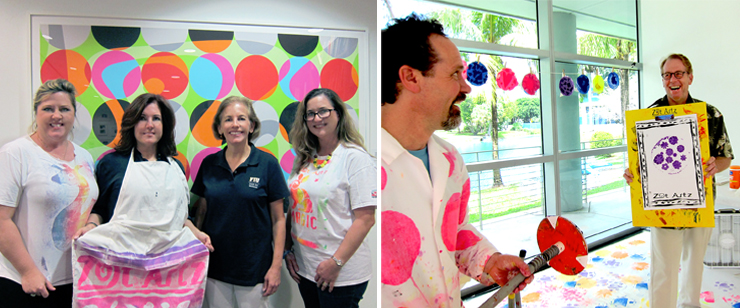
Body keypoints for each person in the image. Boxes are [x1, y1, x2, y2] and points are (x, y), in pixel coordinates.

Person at [380, 14, 533, 307]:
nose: (466, 88)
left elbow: (455, 232)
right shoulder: (370, 165)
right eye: (454, 75)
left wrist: (490, 262)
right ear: (410, 77)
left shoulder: (450, 160)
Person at [73, 93, 213, 305]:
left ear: (164, 125)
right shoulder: (111, 164)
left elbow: (180, 215)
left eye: (156, 118)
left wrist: (197, 233)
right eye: (142, 118)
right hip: (122, 266)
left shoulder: (176, 167)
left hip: (167, 269)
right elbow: (101, 208)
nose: (149, 125)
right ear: (132, 123)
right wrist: (91, 226)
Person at [623, 53, 733, 308]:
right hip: (662, 209)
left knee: (694, 268)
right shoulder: (649, 115)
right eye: (667, 75)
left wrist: (716, 165)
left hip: (700, 204)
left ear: (690, 77)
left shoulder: (710, 114)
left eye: (678, 73)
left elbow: (725, 157)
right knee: (664, 270)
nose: (673, 79)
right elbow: (637, 163)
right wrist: (631, 173)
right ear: (663, 80)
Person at [0, 79, 99, 307]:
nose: (57, 115)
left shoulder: (84, 157)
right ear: (36, 113)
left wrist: (92, 225)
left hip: (76, 280)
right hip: (26, 283)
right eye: (48, 109)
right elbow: (2, 219)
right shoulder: (16, 154)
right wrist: (27, 272)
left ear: (74, 115)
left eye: (65, 109)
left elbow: (92, 208)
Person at [190, 96, 289, 308]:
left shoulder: (267, 164)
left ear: (251, 125)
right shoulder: (209, 164)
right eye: (228, 119)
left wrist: (275, 267)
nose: (235, 124)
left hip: (254, 269)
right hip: (215, 267)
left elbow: (279, 220)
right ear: (219, 128)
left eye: (241, 118)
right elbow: (201, 212)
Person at [284, 88, 376, 308]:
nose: (317, 118)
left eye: (323, 111)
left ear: (338, 114)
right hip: (307, 268)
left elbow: (366, 219)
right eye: (311, 114)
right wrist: (288, 249)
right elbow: (295, 206)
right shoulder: (305, 158)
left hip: (341, 273)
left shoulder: (354, 158)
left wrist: (336, 263)